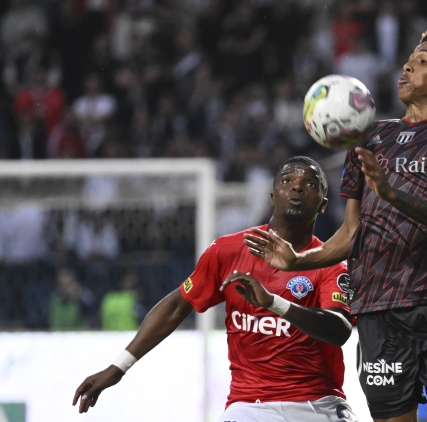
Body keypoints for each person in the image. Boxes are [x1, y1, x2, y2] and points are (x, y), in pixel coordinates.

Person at [245, 26, 427, 422]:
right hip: (379, 312)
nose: (407, 66)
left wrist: (392, 194)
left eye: (423, 61)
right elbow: (351, 233)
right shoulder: (369, 138)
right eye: (409, 59)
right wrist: (297, 261)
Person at [72, 156, 358, 422]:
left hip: (317, 404)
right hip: (249, 407)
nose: (297, 186)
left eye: (310, 184)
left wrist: (274, 304)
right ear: (272, 197)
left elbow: (340, 329)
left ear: (322, 204)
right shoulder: (227, 251)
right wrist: (119, 367)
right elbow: (176, 305)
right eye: (287, 180)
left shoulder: (331, 264)